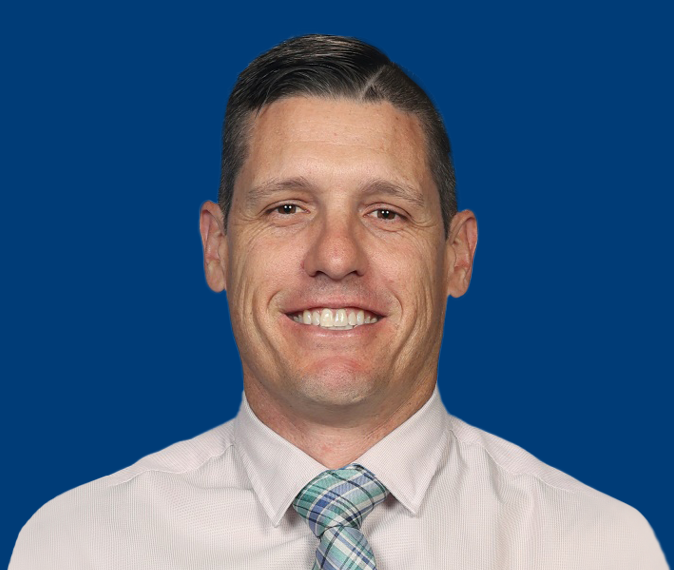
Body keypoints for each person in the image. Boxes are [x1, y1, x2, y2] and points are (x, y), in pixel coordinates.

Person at [10, 34, 668, 570]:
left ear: (456, 256)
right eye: (287, 207)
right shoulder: (76, 547)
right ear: (217, 248)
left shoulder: (597, 547)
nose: (335, 255)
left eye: (385, 211)